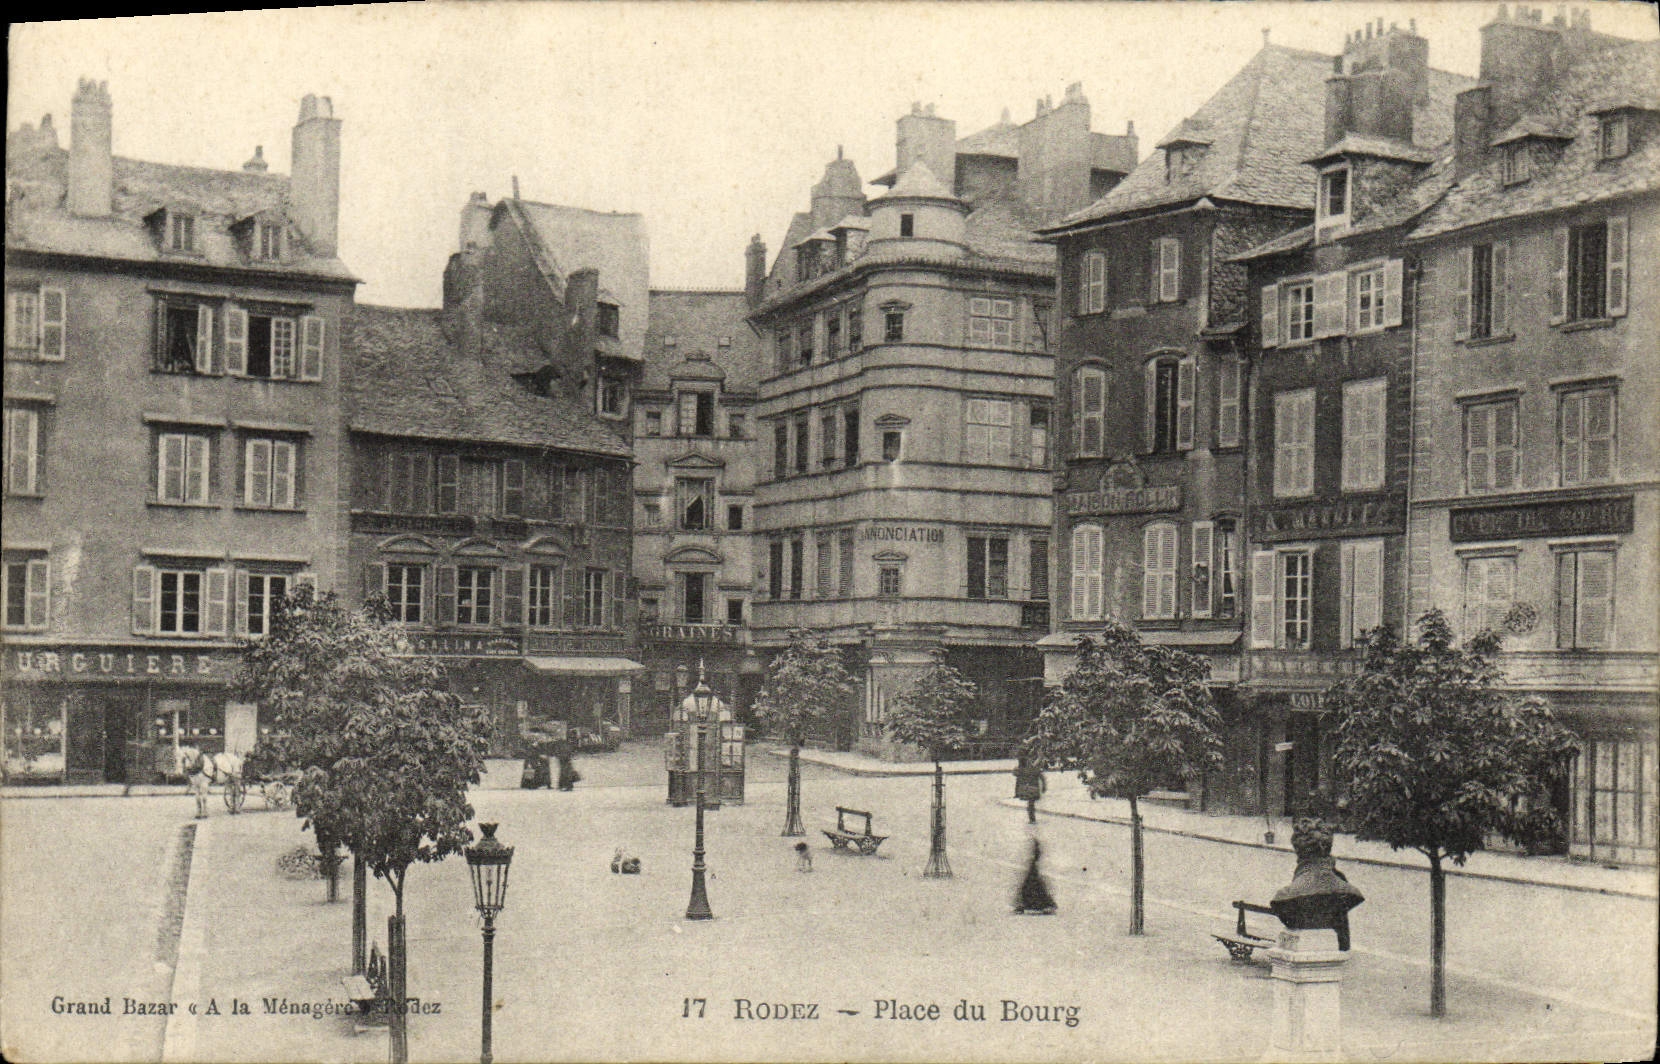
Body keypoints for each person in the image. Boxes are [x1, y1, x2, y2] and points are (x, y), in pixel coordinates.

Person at [1013, 837, 1057, 915]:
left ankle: (1028, 904)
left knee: (1032, 883)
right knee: (1035, 883)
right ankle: (1041, 904)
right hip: (1033, 866)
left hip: (1033, 866)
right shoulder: (1034, 860)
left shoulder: (1034, 860)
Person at [1014, 753, 1046, 824]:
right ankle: (1032, 818)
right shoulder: (1033, 768)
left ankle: (1032, 818)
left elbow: (1016, 775)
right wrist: (1044, 786)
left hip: (1027, 789)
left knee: (1030, 804)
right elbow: (1042, 777)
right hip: (1033, 788)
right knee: (1031, 804)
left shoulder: (1022, 770)